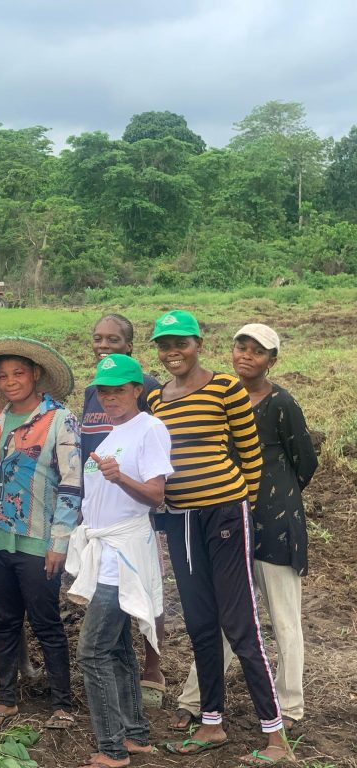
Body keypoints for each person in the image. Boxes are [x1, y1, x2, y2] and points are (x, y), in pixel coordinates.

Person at [147, 310, 288, 765]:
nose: (172, 352)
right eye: (164, 345)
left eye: (181, 343)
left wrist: (243, 506)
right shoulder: (157, 400)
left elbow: (250, 453)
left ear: (198, 344)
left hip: (225, 513)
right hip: (181, 520)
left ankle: (276, 738)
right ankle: (212, 724)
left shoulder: (225, 387)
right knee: (200, 624)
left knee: (240, 624)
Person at [175, 324, 317, 734]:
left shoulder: (281, 403)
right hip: (227, 519)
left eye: (259, 351)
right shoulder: (220, 396)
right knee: (226, 614)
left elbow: (304, 462)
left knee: (283, 618)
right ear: (231, 350)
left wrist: (275, 497)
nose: (247, 355)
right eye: (242, 347)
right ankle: (196, 698)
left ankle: (289, 707)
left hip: (274, 525)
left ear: (272, 360)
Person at [0, 337, 80, 730]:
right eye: (3, 376)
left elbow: (71, 483)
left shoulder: (60, 420)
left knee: (46, 621)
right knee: (5, 620)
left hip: (37, 537)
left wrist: (59, 541)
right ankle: (7, 699)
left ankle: (62, 703)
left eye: (19, 373)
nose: (11, 381)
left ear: (36, 375)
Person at [66, 354, 172, 768]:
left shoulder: (150, 429)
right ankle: (135, 735)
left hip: (123, 553)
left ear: (137, 390)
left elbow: (156, 495)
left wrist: (120, 477)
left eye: (119, 390)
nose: (110, 398)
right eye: (104, 392)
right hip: (106, 550)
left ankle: (111, 749)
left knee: (92, 651)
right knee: (118, 647)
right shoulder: (113, 436)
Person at [80, 314, 165, 707]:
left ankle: (153, 669)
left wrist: (122, 479)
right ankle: (130, 717)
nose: (103, 345)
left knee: (144, 589)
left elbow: (155, 483)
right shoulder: (95, 399)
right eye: (98, 338)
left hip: (132, 523)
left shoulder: (148, 399)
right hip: (104, 520)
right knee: (113, 620)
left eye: (112, 339)